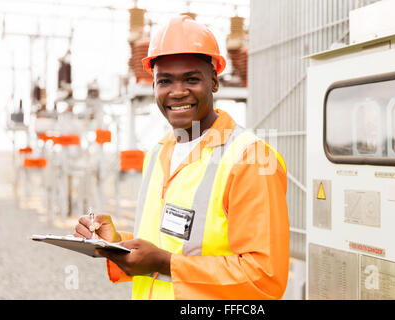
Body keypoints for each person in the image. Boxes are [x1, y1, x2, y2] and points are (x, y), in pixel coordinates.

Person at [74, 15, 289, 300]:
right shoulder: (159, 153)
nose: (177, 92)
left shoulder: (251, 158)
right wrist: (118, 245)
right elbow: (168, 244)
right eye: (164, 81)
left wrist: (166, 263)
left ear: (214, 80)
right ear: (153, 86)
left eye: (191, 79)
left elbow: (264, 277)